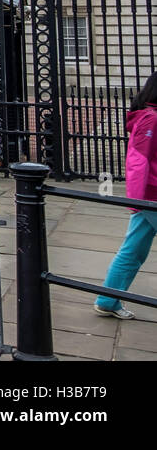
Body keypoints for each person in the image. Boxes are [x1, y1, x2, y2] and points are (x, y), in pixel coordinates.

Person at [94, 73, 157, 319]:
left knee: (133, 251)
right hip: (151, 196)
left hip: (148, 196)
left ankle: (107, 300)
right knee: (132, 251)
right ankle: (107, 299)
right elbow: (138, 161)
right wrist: (136, 200)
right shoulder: (151, 119)